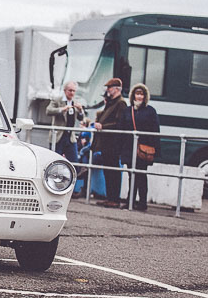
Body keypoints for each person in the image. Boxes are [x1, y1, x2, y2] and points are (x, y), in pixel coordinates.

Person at [119, 83, 160, 211]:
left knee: (141, 175)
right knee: (131, 175)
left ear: (145, 96)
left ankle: (142, 202)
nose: (139, 96)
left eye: (142, 94)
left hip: (143, 148)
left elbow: (155, 130)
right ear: (133, 95)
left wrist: (155, 149)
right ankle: (130, 201)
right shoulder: (127, 110)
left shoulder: (150, 111)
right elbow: (121, 128)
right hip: (129, 148)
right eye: (137, 93)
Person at [92, 77, 127, 208]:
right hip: (107, 142)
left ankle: (114, 198)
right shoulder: (112, 102)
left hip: (113, 142)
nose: (108, 90)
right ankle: (110, 197)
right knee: (108, 170)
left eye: (110, 88)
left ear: (116, 89)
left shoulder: (120, 103)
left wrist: (103, 126)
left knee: (113, 170)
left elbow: (119, 123)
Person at [45, 81, 84, 162]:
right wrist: (61, 109)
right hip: (58, 136)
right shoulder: (57, 100)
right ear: (65, 90)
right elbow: (48, 111)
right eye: (70, 90)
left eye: (74, 91)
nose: (72, 93)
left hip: (70, 137)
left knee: (74, 162)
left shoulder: (75, 102)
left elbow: (81, 118)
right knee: (55, 160)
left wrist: (80, 110)